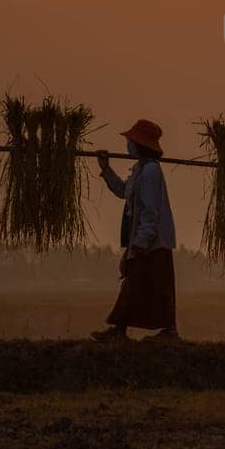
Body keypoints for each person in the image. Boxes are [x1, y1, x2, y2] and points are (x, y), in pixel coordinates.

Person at [89, 118, 180, 342]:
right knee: (135, 285)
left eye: (130, 140)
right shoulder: (140, 170)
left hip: (152, 241)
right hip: (142, 239)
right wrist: (106, 168)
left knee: (154, 288)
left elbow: (150, 212)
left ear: (140, 144)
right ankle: (120, 330)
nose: (127, 144)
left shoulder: (150, 172)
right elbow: (123, 192)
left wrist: (140, 243)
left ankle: (167, 331)